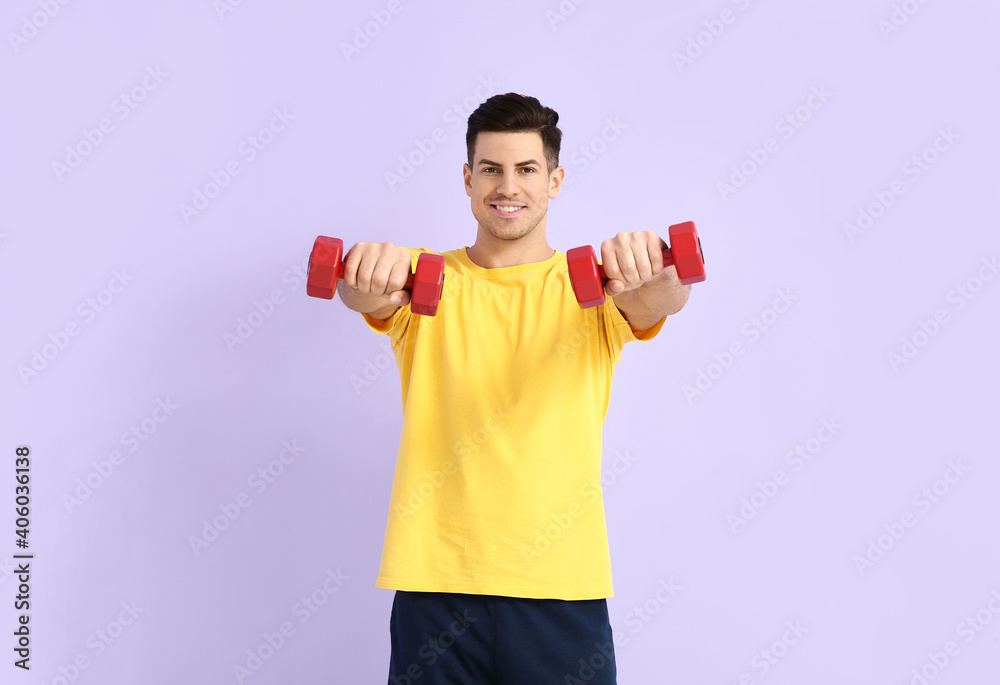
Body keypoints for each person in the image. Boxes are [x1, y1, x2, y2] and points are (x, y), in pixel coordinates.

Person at [337, 92, 691, 684]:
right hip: (436, 587)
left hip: (560, 590)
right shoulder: (424, 280)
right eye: (491, 169)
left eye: (526, 169)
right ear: (468, 179)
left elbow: (662, 298)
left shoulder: (593, 287)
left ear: (554, 180)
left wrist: (656, 268)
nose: (508, 186)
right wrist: (363, 270)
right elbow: (363, 294)